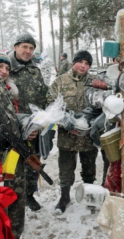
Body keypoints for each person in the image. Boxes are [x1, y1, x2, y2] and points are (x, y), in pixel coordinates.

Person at [47, 50, 99, 214]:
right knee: (66, 168)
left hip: (88, 136)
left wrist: (89, 122)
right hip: (66, 135)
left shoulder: (94, 82)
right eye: (81, 62)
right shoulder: (60, 81)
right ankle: (64, 197)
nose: (83, 66)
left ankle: (90, 195)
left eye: (87, 63)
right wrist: (66, 122)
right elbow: (50, 104)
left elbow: (101, 106)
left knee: (89, 168)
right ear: (74, 62)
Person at [8, 33, 48, 211]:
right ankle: (12, 198)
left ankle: (29, 195)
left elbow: (42, 97)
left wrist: (43, 120)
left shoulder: (35, 71)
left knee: (32, 163)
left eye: (31, 48)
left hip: (33, 128)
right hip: (10, 130)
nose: (28, 51)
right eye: (24, 47)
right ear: (15, 47)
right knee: (12, 166)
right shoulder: (6, 69)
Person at [0, 55, 38, 239]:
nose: (4, 71)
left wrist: (26, 127)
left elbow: (10, 121)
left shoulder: (7, 92)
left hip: (13, 156)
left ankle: (15, 234)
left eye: (7, 68)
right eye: (0, 67)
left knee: (16, 197)